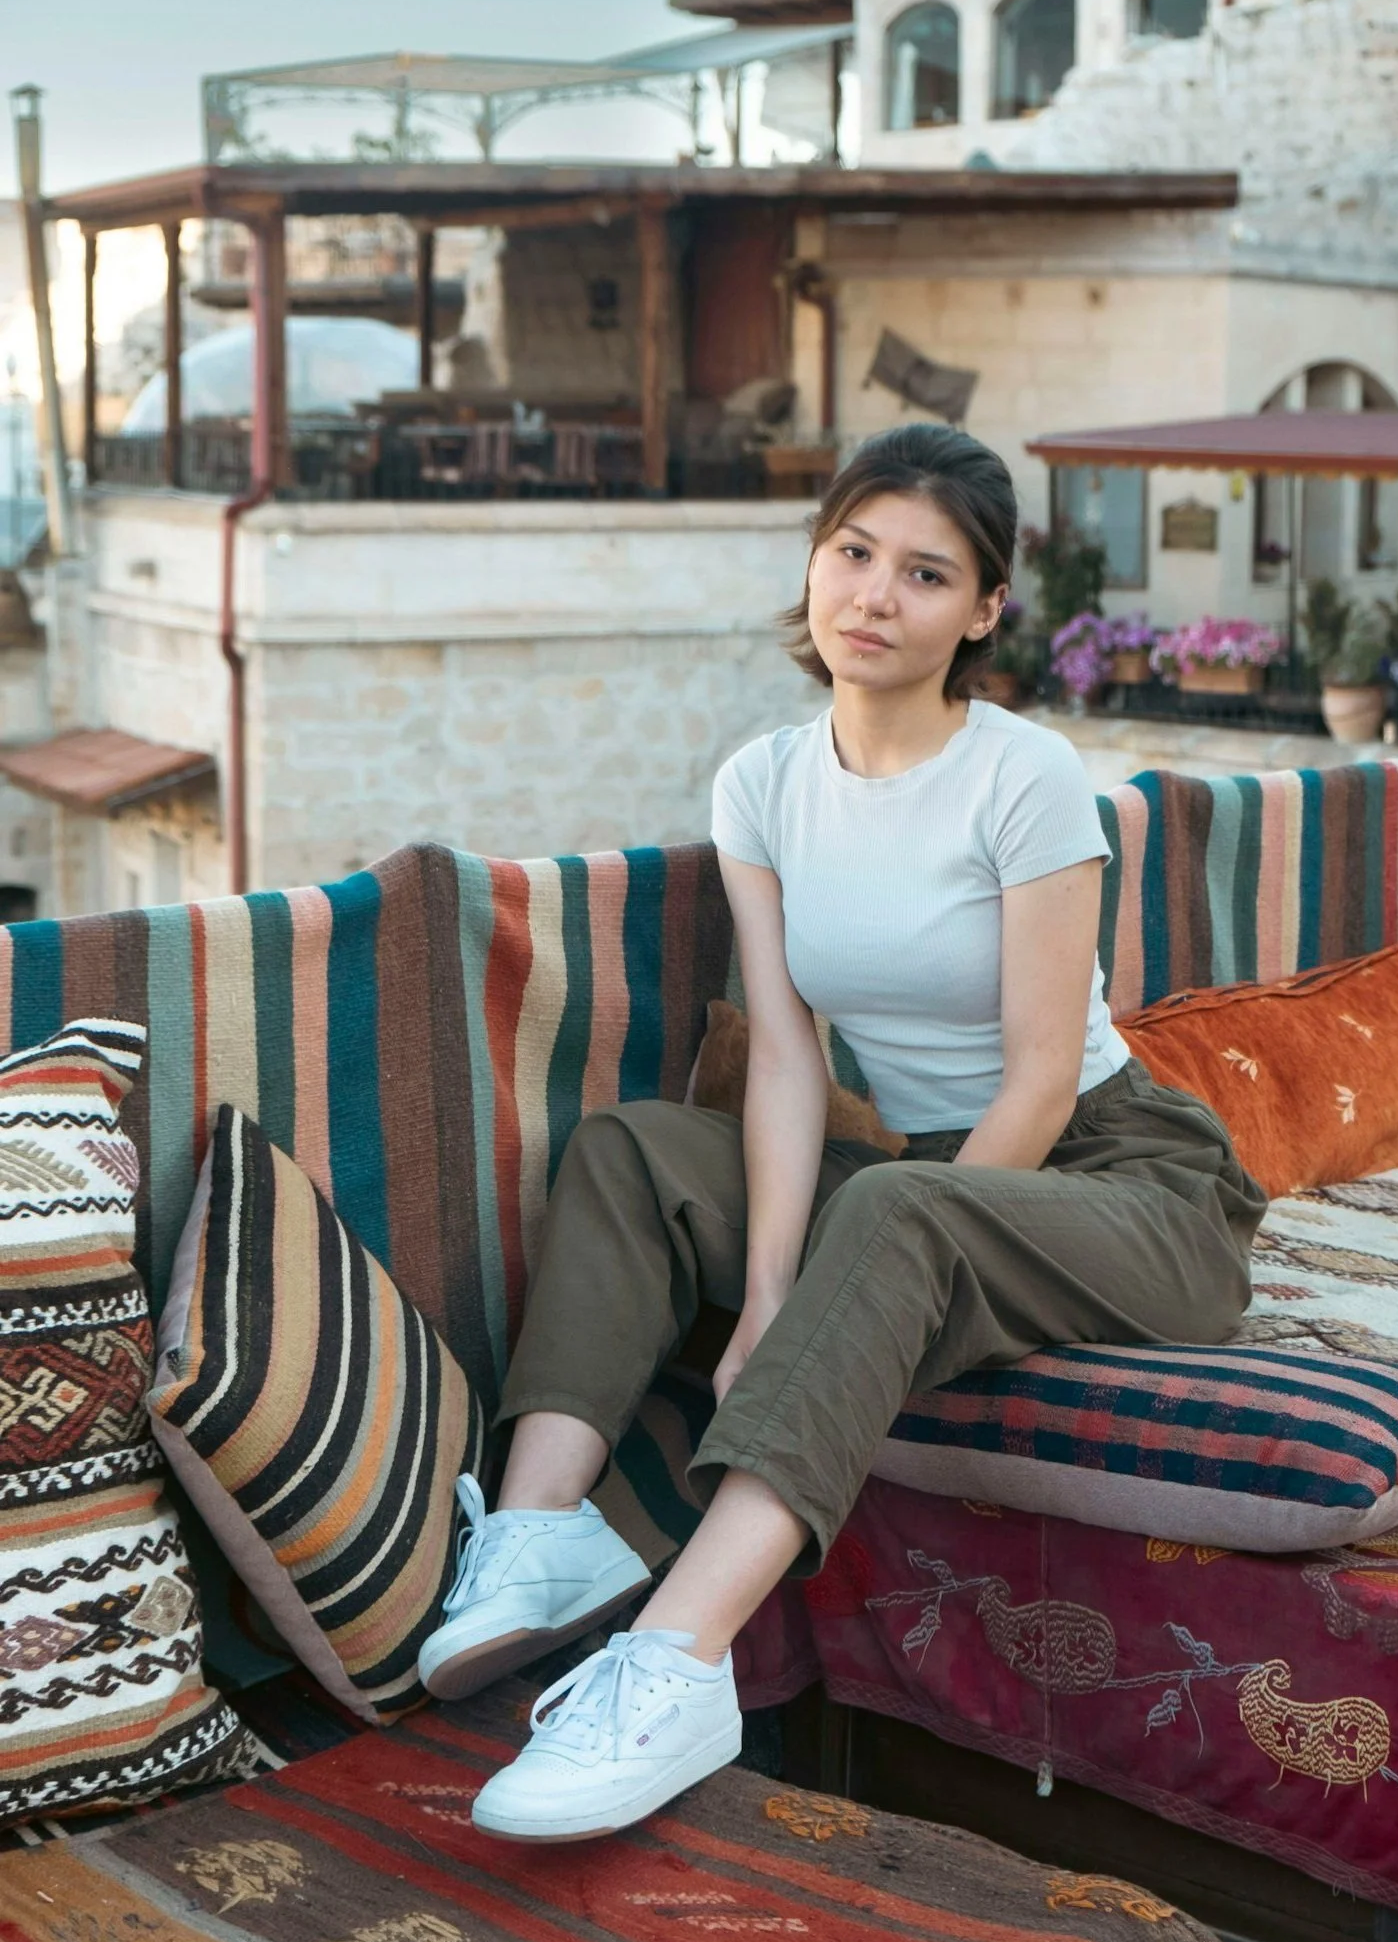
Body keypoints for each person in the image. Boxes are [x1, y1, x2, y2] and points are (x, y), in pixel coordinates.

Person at [419, 423, 1267, 1842]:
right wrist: (764, 1294)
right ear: (814, 563)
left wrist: (854, 1274)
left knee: (894, 1216)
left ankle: (678, 1665)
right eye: (854, 553)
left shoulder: (1024, 775)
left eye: (925, 574)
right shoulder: (761, 783)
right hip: (937, 1178)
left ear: (983, 613)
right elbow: (788, 1068)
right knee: (636, 1150)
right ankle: (539, 1530)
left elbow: (1044, 1082)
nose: (875, 595)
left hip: (1127, 1187)